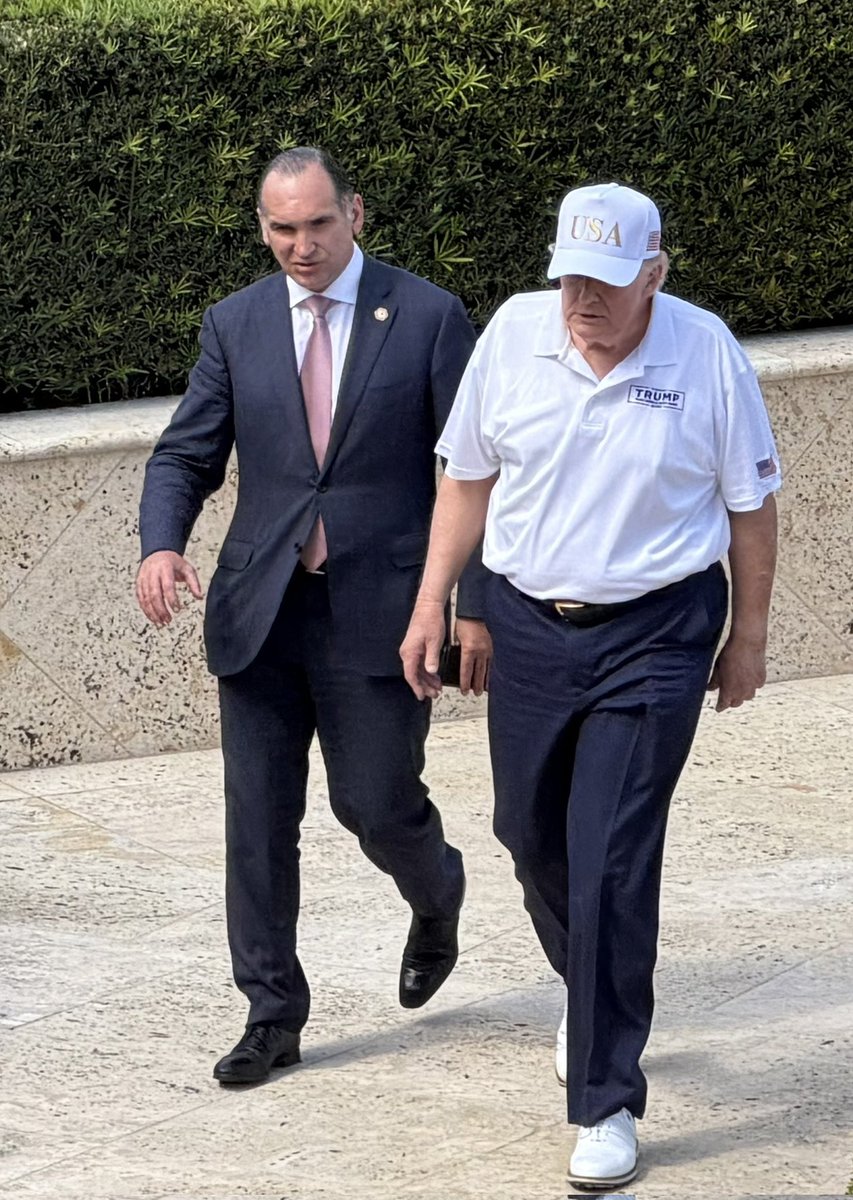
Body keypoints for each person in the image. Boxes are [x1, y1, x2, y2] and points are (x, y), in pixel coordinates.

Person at [401, 182, 780, 1189]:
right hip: (530, 625)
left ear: (656, 273)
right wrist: (434, 600)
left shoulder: (704, 353)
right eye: (571, 278)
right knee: (527, 833)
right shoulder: (518, 334)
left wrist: (747, 636)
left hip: (657, 629)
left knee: (609, 853)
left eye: (608, 284)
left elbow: (750, 507)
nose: (584, 303)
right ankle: (594, 987)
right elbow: (465, 477)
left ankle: (606, 1099)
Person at [136, 147, 491, 1085]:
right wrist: (160, 542)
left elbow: (477, 473)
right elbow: (184, 454)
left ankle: (437, 887)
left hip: (385, 608)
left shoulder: (427, 316)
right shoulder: (236, 323)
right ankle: (271, 1013)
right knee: (257, 818)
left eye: (317, 224)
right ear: (263, 228)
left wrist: (467, 609)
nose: (300, 245)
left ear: (355, 214)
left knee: (373, 804)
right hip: (262, 609)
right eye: (281, 228)